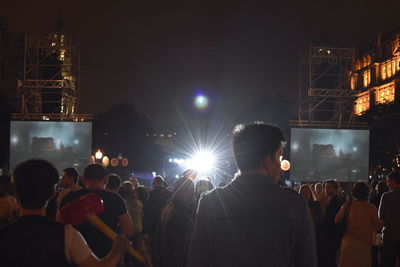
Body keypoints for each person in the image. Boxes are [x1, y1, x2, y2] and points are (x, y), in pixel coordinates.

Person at [187, 122, 317, 267]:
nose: (280, 166)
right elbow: (307, 261)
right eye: (279, 157)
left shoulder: (210, 203)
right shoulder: (295, 204)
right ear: (267, 160)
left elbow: (197, 260)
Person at [0, 159, 129, 266]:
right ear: (52, 193)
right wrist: (118, 249)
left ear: (15, 192)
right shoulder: (67, 234)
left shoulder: (4, 235)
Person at [60, 163, 133, 259]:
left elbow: (59, 225)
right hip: (107, 256)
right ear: (106, 180)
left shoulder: (70, 197)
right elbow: (128, 231)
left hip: (75, 257)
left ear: (83, 179)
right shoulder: (115, 199)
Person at [335, 182, 381, 267]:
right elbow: (377, 226)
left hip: (348, 243)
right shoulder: (371, 208)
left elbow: (337, 219)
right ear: (367, 193)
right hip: (364, 244)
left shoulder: (347, 206)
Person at [154, 177, 195, 267]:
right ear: (185, 191)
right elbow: (183, 245)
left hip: (165, 260)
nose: (193, 194)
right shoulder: (183, 212)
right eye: (192, 190)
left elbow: (158, 240)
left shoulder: (167, 209)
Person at [379, 171, 400, 267]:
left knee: (388, 262)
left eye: (388, 181)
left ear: (394, 181)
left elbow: (381, 216)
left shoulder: (386, 196)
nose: (387, 184)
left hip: (390, 234)